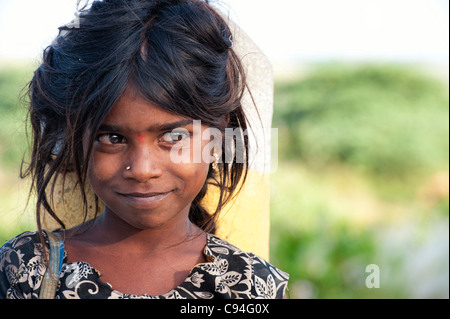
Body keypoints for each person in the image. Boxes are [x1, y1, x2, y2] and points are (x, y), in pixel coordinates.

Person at [0, 0, 289, 299]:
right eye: (112, 138)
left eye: (174, 136)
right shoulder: (29, 271)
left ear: (216, 135)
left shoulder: (250, 287)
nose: (142, 169)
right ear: (77, 138)